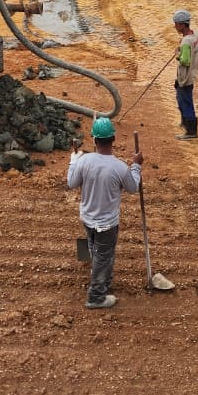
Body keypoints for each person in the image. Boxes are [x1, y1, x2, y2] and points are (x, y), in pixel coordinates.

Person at [67, 117, 142, 310]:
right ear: (113, 139)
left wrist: (73, 161)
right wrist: (136, 165)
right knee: (104, 257)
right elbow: (133, 187)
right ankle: (96, 297)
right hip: (107, 224)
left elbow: (71, 183)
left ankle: (98, 273)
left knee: (94, 247)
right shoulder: (119, 168)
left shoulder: (84, 161)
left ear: (94, 140)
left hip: (87, 218)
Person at [172, 9, 198, 140]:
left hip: (185, 76)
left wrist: (178, 54)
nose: (175, 26)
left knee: (185, 101)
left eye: (176, 24)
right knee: (182, 98)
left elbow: (185, 61)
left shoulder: (186, 41)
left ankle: (191, 131)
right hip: (192, 74)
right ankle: (185, 123)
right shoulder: (197, 36)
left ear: (182, 25)